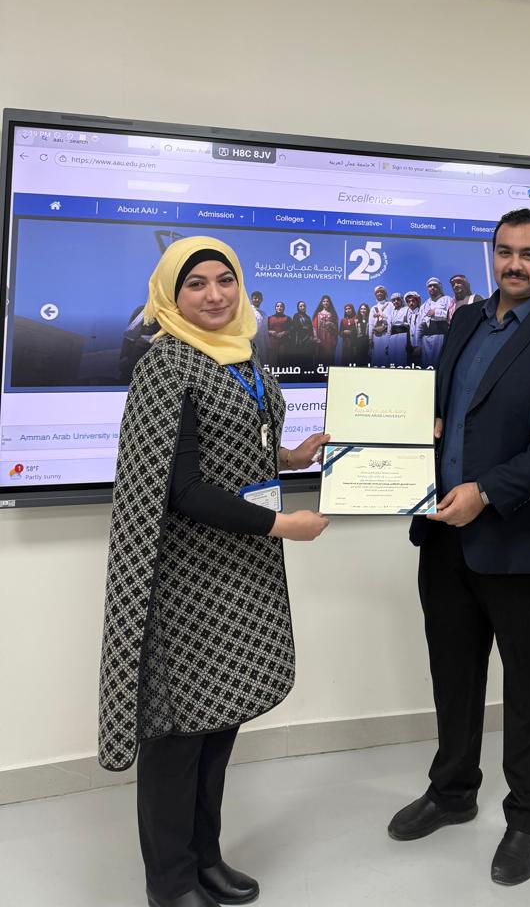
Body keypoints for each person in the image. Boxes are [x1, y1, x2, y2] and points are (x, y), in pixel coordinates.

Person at [97, 236, 329, 907]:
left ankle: (205, 858)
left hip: (241, 573)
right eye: (195, 283)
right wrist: (282, 525)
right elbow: (182, 488)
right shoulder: (166, 364)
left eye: (224, 280)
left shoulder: (242, 354)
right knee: (178, 737)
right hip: (187, 581)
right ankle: (170, 882)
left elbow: (235, 448)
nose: (214, 295)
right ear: (170, 295)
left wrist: (290, 457)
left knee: (219, 725)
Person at [388, 209, 530, 887]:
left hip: (525, 539)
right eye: (505, 252)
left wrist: (485, 491)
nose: (515, 264)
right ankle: (453, 791)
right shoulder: (463, 321)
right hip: (444, 533)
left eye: (529, 254)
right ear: (493, 255)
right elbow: (449, 411)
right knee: (453, 671)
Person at [419, 276, 453, 367]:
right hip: (425, 339)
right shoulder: (424, 305)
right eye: (430, 286)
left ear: (439, 287)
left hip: (440, 336)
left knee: (439, 363)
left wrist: (436, 312)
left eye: (435, 286)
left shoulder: (447, 299)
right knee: (426, 365)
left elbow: (452, 315)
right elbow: (420, 324)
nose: (432, 288)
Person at [312, 294, 339, 369]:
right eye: (324, 301)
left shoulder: (332, 314)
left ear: (329, 303)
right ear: (321, 303)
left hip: (329, 338)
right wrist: (315, 337)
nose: (325, 303)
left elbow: (336, 328)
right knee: (319, 356)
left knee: (329, 355)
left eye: (327, 301)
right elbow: (314, 326)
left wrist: (331, 324)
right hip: (320, 337)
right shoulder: (318, 314)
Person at [385, 291, 410, 367]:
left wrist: (403, 323)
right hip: (392, 337)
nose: (396, 301)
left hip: (403, 336)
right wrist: (387, 344)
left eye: (398, 299)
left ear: (401, 300)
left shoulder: (407, 309)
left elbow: (409, 323)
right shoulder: (391, 312)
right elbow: (389, 328)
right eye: (394, 300)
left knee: (401, 358)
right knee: (392, 359)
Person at [266, 300, 291, 365]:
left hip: (284, 343)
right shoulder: (269, 318)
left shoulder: (288, 318)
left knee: (283, 362)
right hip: (272, 343)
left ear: (284, 308)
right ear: (275, 308)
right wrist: (270, 332)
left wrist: (284, 332)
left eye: (281, 306)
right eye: (277, 306)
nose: (279, 307)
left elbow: (292, 329)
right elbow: (265, 329)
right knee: (272, 362)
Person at [248, 290, 268, 362]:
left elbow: (265, 331)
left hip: (261, 344)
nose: (257, 300)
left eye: (259, 298)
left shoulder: (263, 314)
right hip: (250, 341)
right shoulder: (248, 309)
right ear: (251, 299)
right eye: (255, 298)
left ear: (261, 300)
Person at [355, 303, 372, 368]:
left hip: (368, 344)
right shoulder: (356, 320)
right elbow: (354, 334)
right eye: (361, 309)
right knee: (359, 362)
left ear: (367, 310)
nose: (363, 310)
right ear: (359, 310)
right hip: (359, 345)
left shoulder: (370, 320)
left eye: (364, 309)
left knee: (368, 362)